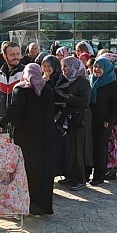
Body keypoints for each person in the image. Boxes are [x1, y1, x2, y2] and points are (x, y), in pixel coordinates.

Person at [0, 63, 55, 216]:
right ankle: (43, 206)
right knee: (43, 170)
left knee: (26, 170)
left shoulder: (21, 89)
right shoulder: (47, 89)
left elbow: (14, 109)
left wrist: (1, 123)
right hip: (46, 137)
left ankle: (26, 205)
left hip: (26, 137)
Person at [58, 57, 92, 191]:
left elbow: (85, 101)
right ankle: (70, 175)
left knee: (77, 149)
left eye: (66, 67)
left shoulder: (82, 81)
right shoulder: (67, 80)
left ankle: (80, 179)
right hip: (69, 119)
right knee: (69, 148)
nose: (64, 70)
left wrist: (67, 98)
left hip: (79, 119)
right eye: (63, 67)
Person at [87, 57, 117, 186]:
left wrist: (109, 120)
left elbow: (116, 105)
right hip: (92, 120)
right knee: (91, 147)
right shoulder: (92, 80)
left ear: (106, 69)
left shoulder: (112, 83)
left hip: (104, 123)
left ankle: (99, 176)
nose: (97, 70)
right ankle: (88, 173)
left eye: (100, 67)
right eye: (95, 67)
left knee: (100, 149)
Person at [41, 55, 70, 183]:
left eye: (49, 66)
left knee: (56, 148)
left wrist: (47, 84)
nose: (46, 69)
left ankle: (55, 174)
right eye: (44, 66)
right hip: (43, 119)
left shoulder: (62, 80)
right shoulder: (39, 79)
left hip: (57, 118)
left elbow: (59, 99)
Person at [0, 42, 25, 127]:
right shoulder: (0, 74)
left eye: (18, 54)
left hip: (20, 122)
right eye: (12, 54)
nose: (16, 57)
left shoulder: (25, 73)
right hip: (3, 121)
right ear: (4, 56)